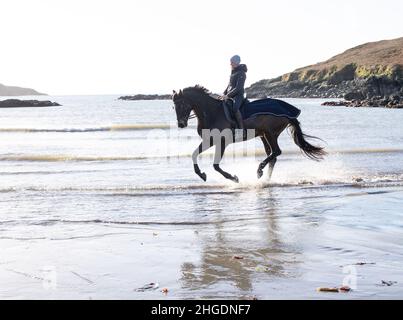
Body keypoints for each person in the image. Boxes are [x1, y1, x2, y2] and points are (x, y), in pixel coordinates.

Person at [222, 55, 247, 130]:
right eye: (231, 62)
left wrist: (228, 95)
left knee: (235, 108)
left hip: (238, 96)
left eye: (232, 62)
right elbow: (229, 85)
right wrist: (224, 93)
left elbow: (238, 88)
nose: (231, 64)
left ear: (237, 62)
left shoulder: (241, 73)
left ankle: (241, 129)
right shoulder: (233, 72)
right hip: (230, 95)